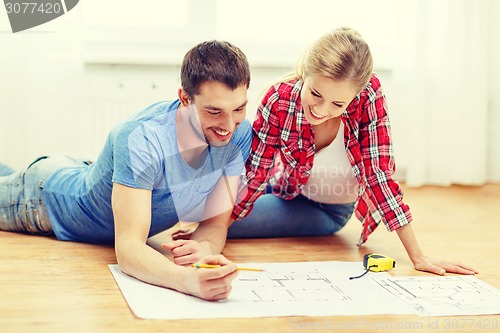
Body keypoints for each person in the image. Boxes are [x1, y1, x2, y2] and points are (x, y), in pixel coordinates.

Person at [0, 40, 253, 301]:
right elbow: (129, 248)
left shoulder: (240, 134)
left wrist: (204, 248)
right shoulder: (139, 138)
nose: (228, 125)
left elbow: (214, 222)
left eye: (239, 108)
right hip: (41, 199)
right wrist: (187, 280)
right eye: (214, 111)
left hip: (81, 171)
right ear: (185, 98)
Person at [227, 27, 477, 276]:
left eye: (338, 104)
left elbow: (378, 176)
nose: (322, 110)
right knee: (208, 205)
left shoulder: (369, 97)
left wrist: (418, 256)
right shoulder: (279, 99)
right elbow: (257, 172)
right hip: (284, 186)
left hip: (325, 211)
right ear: (306, 73)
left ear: (355, 96)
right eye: (315, 94)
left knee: (221, 222)